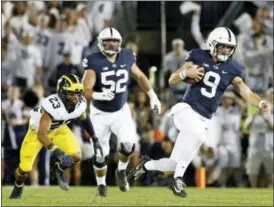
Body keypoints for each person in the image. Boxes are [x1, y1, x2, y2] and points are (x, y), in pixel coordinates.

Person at [128, 27, 271, 197]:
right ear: (212, 44)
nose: (225, 50)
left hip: (204, 118)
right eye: (222, 46)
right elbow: (172, 80)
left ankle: (144, 166)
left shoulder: (233, 68)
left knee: (173, 164)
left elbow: (247, 93)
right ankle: (177, 180)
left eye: (228, 47)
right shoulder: (198, 55)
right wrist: (185, 73)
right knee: (199, 135)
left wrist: (261, 102)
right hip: (186, 110)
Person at [82, 27, 161, 197]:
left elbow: (139, 76)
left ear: (119, 43)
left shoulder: (126, 55)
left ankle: (121, 172)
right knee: (100, 156)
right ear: (100, 44)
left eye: (114, 41)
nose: (111, 44)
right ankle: (102, 185)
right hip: (99, 113)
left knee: (128, 146)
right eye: (107, 41)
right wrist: (97, 94)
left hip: (120, 111)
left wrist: (152, 95)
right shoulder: (93, 61)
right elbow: (85, 89)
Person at [9, 74, 103, 199]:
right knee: (24, 168)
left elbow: (84, 119)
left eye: (78, 92)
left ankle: (59, 168)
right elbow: (41, 135)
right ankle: (18, 185)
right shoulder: (52, 105)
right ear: (62, 92)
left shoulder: (80, 103)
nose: (75, 97)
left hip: (59, 129)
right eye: (71, 93)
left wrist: (94, 138)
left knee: (76, 156)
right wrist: (56, 151)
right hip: (37, 132)